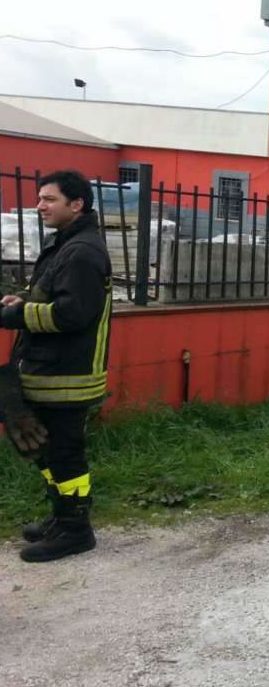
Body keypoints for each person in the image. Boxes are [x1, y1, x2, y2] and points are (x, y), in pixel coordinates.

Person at [1, 169, 113, 563]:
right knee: (45, 450)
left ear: (76, 204)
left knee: (64, 453)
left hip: (68, 376)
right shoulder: (67, 244)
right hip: (51, 370)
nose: (40, 205)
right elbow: (52, 296)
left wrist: (19, 317)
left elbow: (72, 314)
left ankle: (75, 530)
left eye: (49, 199)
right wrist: (23, 300)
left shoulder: (82, 251)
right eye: (40, 198)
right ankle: (61, 517)